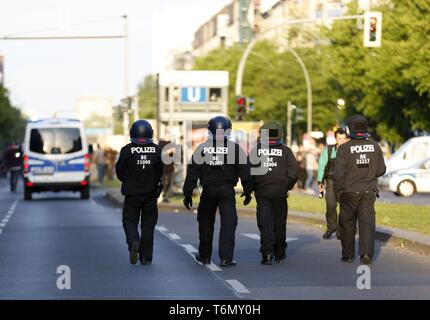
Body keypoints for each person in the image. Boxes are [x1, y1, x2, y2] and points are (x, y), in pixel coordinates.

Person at [182, 115, 252, 267]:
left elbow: (192, 173)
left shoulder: (201, 148)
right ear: (229, 130)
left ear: (210, 130)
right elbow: (245, 173)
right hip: (227, 190)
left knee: (206, 222)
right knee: (229, 223)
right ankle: (226, 258)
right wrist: (247, 192)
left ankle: (205, 256)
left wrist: (187, 194)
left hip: (208, 191)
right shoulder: (235, 148)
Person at [334, 115, 386, 265]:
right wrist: (369, 174)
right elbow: (381, 169)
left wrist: (338, 190)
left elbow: (339, 174)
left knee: (347, 223)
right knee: (367, 223)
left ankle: (348, 255)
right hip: (368, 191)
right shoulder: (375, 146)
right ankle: (366, 254)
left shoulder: (344, 148)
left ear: (349, 129)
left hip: (348, 191)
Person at [249, 121, 298, 265]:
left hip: (262, 193)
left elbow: (249, 172)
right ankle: (280, 253)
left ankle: (267, 254)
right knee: (279, 224)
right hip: (280, 194)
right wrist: (286, 187)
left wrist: (250, 189)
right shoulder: (286, 151)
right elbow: (294, 174)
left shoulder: (256, 150)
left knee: (265, 224)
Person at [115, 120, 163, 265]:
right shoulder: (156, 150)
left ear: (132, 133)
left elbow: (120, 172)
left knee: (129, 221)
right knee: (148, 224)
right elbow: (160, 171)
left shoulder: (127, 150)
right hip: (150, 193)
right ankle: (146, 257)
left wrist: (129, 180)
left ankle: (134, 242)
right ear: (150, 133)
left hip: (132, 194)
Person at [317, 128, 349, 239]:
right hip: (331, 181)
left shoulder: (350, 150)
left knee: (344, 208)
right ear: (336, 139)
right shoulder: (329, 150)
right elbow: (321, 166)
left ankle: (341, 231)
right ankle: (331, 228)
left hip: (346, 182)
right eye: (340, 139)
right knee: (330, 205)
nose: (342, 141)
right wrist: (320, 182)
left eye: (344, 138)